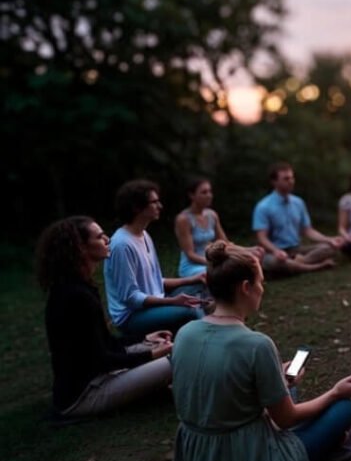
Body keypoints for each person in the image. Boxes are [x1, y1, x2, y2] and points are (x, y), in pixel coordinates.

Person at [172, 241, 351, 461]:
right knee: (344, 409)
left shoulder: (184, 333)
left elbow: (217, 387)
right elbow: (286, 419)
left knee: (288, 388)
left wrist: (276, 375)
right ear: (245, 288)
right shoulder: (256, 344)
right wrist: (334, 393)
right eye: (260, 282)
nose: (263, 288)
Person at [37, 216, 173, 417]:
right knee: (178, 358)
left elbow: (103, 343)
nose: (107, 239)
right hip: (86, 393)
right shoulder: (75, 296)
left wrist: (145, 339)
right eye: (100, 237)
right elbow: (101, 360)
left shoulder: (79, 287)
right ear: (80, 248)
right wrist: (152, 355)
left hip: (100, 375)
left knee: (160, 345)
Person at [104, 179, 204, 340]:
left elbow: (155, 281)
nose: (160, 206)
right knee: (189, 310)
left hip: (156, 302)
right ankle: (205, 342)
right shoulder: (122, 245)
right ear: (137, 207)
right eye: (154, 202)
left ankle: (202, 337)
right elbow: (131, 298)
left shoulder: (144, 234)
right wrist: (172, 302)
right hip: (132, 317)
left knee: (199, 286)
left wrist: (192, 279)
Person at [252, 162, 345, 277]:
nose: (291, 181)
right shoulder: (263, 206)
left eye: (292, 178)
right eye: (286, 179)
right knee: (274, 262)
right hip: (274, 252)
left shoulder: (298, 202)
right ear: (274, 182)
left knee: (330, 248)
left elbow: (307, 230)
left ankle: (298, 264)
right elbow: (262, 238)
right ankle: (314, 267)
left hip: (296, 250)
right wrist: (276, 251)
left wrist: (329, 239)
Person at [175, 176, 229, 281]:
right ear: (192, 195)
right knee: (221, 273)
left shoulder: (212, 215)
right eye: (204, 192)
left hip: (211, 261)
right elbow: (190, 254)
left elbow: (224, 242)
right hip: (192, 266)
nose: (209, 195)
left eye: (210, 191)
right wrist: (214, 263)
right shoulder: (183, 219)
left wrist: (246, 251)